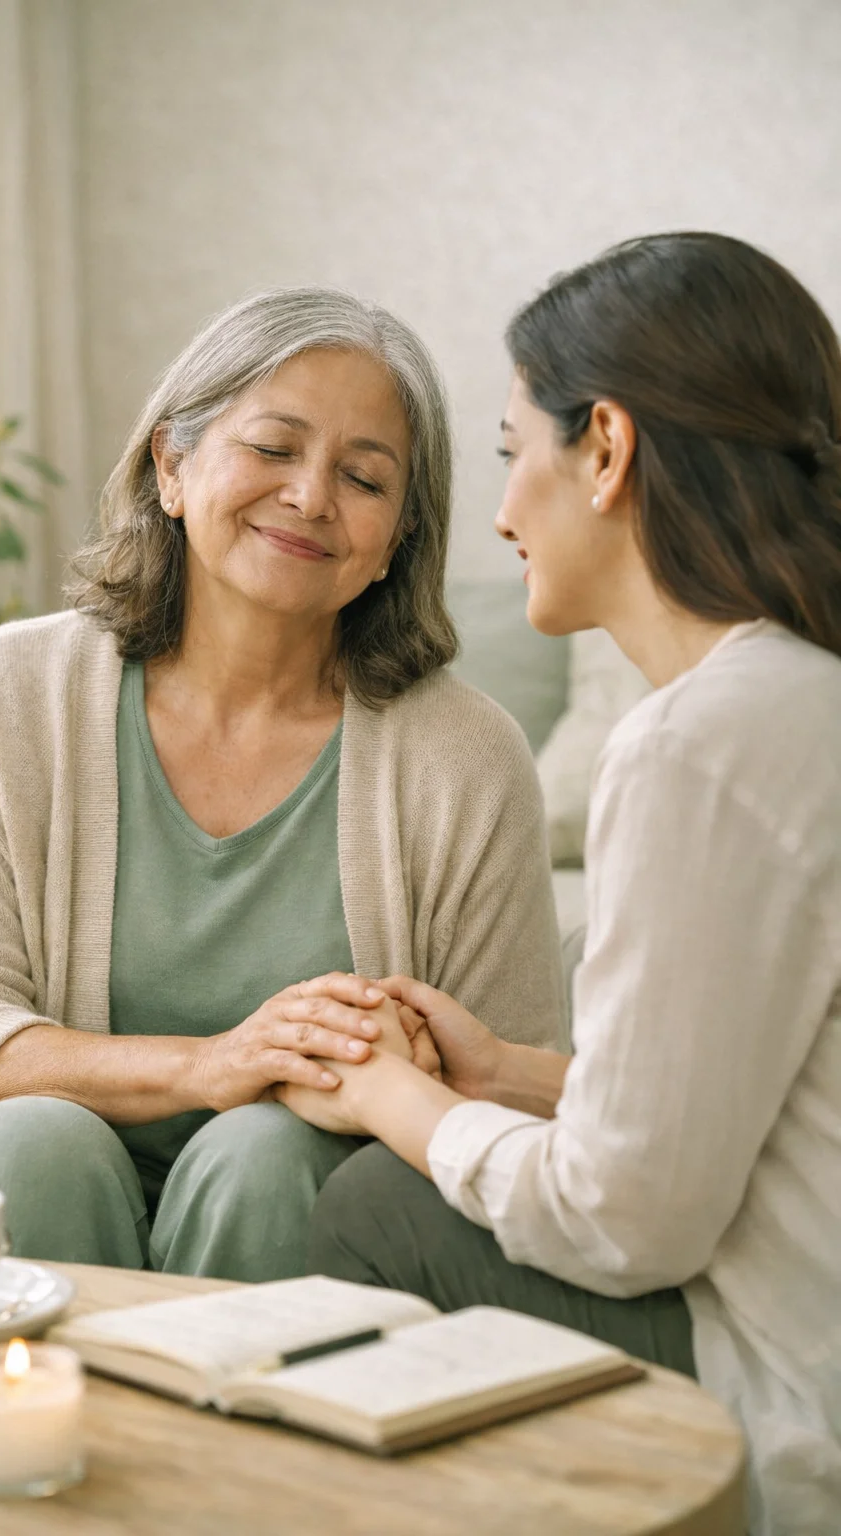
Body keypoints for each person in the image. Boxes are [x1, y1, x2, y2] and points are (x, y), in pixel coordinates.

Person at [281, 235, 841, 1534]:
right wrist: (512, 1076)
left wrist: (399, 1101)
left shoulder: (697, 744)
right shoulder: (801, 701)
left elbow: (627, 1220)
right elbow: (766, 1100)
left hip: (794, 1403)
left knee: (371, 1201)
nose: (500, 512)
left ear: (609, 450)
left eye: (510, 450)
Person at [0, 286, 566, 1282]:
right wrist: (213, 1064)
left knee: (265, 1156)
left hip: (309, 1226)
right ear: (172, 465)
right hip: (21, 1195)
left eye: (363, 477)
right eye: (272, 449)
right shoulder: (2, 694)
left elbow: (499, 1092)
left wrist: (387, 1061)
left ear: (398, 537)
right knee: (36, 1143)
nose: (310, 496)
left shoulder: (466, 757)